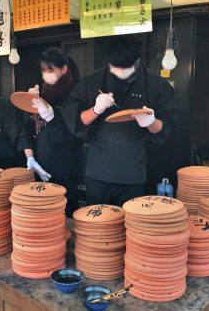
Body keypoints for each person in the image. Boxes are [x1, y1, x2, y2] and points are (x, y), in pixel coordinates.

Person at [62, 35, 178, 207]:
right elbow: (76, 119)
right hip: (99, 170)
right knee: (97, 221)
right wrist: (95, 109)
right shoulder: (92, 81)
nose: (120, 72)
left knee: (128, 222)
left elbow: (165, 127)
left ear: (137, 60)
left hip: (133, 171)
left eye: (126, 68)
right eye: (115, 67)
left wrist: (151, 121)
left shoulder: (155, 84)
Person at [23, 47, 81, 216]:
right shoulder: (43, 91)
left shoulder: (76, 94)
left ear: (64, 69)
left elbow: (69, 134)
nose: (45, 75)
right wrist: (31, 157)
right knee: (42, 215)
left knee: (64, 212)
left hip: (65, 166)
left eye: (50, 70)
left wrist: (51, 117)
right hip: (40, 162)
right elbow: (29, 127)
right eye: (43, 70)